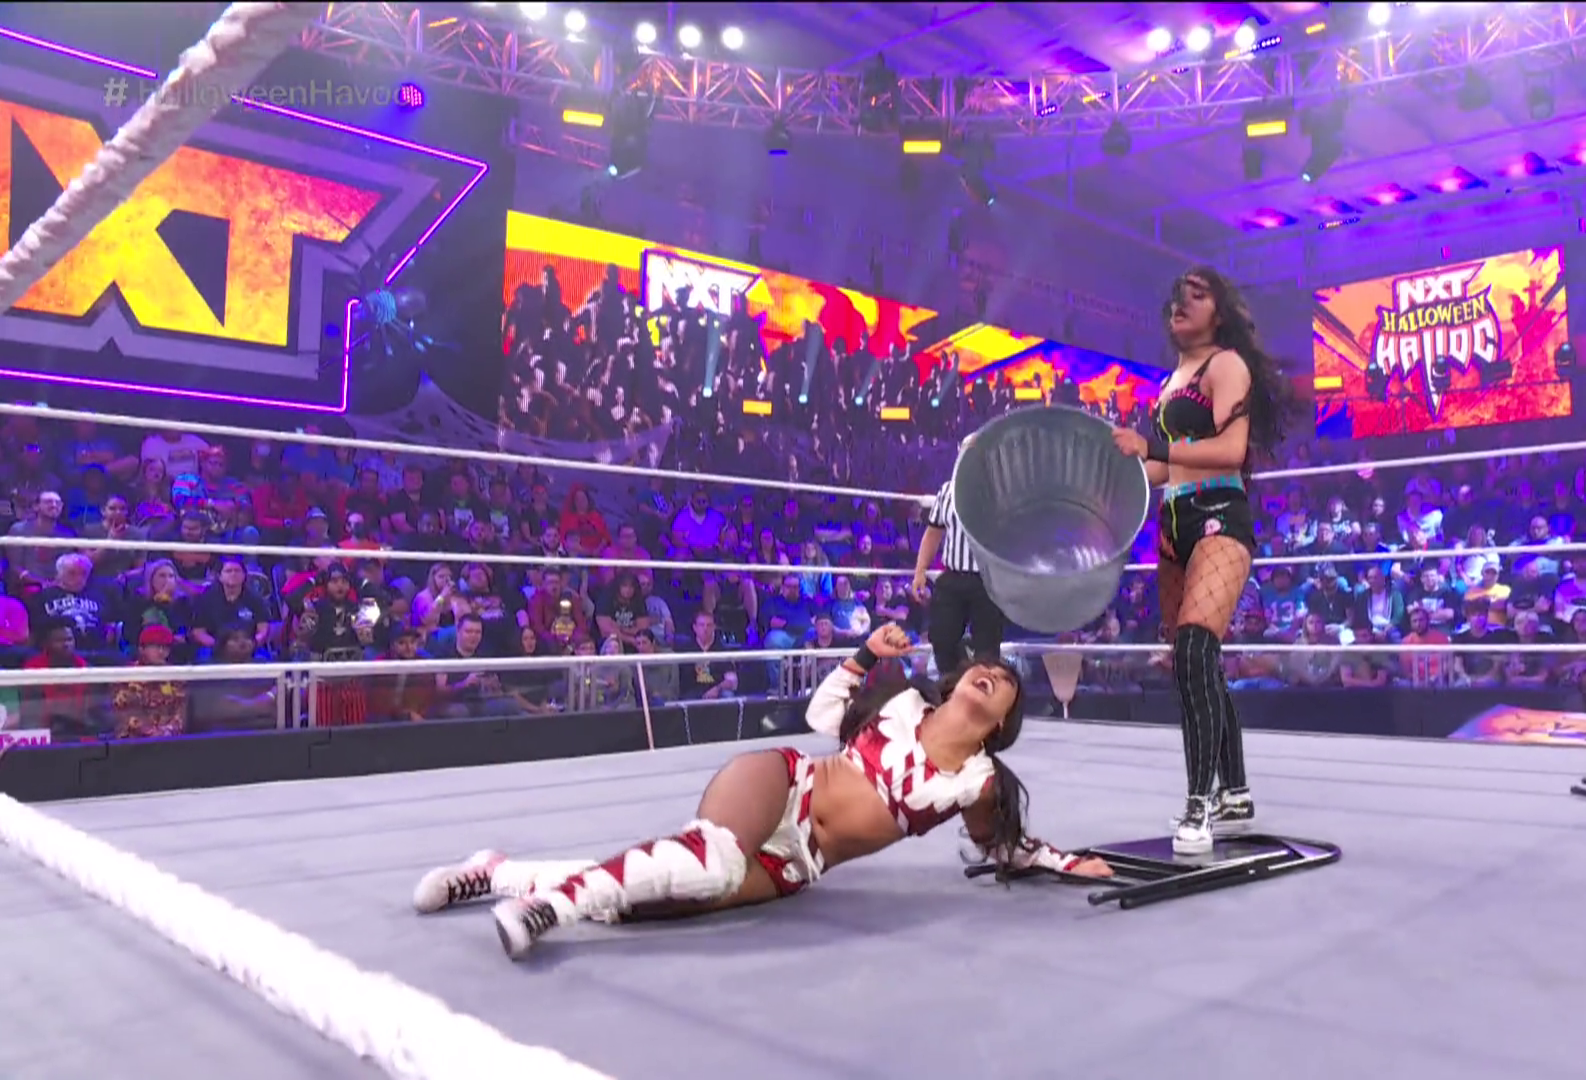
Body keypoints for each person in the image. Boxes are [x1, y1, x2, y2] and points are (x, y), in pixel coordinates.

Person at [412, 624, 1111, 960]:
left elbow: (1003, 847)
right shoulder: (902, 704)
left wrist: (1069, 863)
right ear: (956, 683)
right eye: (984, 669)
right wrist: (866, 655)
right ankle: (547, 911)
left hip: (798, 862)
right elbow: (820, 716)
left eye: (1005, 681)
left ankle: (497, 873)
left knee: (655, 900)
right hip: (783, 784)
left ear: (1003, 721)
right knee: (711, 861)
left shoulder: (976, 780)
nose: (992, 674)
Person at [1112, 266, 1296, 856]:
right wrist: (1113, 478)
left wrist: (1152, 445)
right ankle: (1235, 790)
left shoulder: (1226, 364)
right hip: (1172, 523)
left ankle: (1199, 804)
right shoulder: (1172, 381)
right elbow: (1162, 468)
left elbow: (1230, 450)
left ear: (1219, 311)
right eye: (1177, 294)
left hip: (1220, 512)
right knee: (1196, 664)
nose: (1181, 302)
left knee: (1194, 648)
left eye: (1197, 294)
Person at [912, 437, 1006, 677]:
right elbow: (933, 533)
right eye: (966, 452)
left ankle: (981, 691)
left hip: (988, 581)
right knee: (942, 638)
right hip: (953, 576)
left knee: (987, 649)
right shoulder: (947, 490)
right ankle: (954, 685)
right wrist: (920, 571)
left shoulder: (1000, 492)